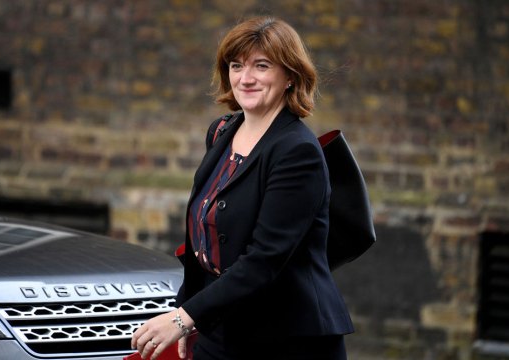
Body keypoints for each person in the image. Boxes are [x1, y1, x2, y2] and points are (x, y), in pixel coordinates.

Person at [131, 16, 354, 360]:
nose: (245, 78)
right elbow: (204, 242)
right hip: (223, 325)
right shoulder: (222, 132)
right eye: (236, 66)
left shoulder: (297, 152)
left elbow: (264, 259)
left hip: (285, 337)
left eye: (261, 66)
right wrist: (190, 311)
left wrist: (183, 319)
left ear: (290, 76)